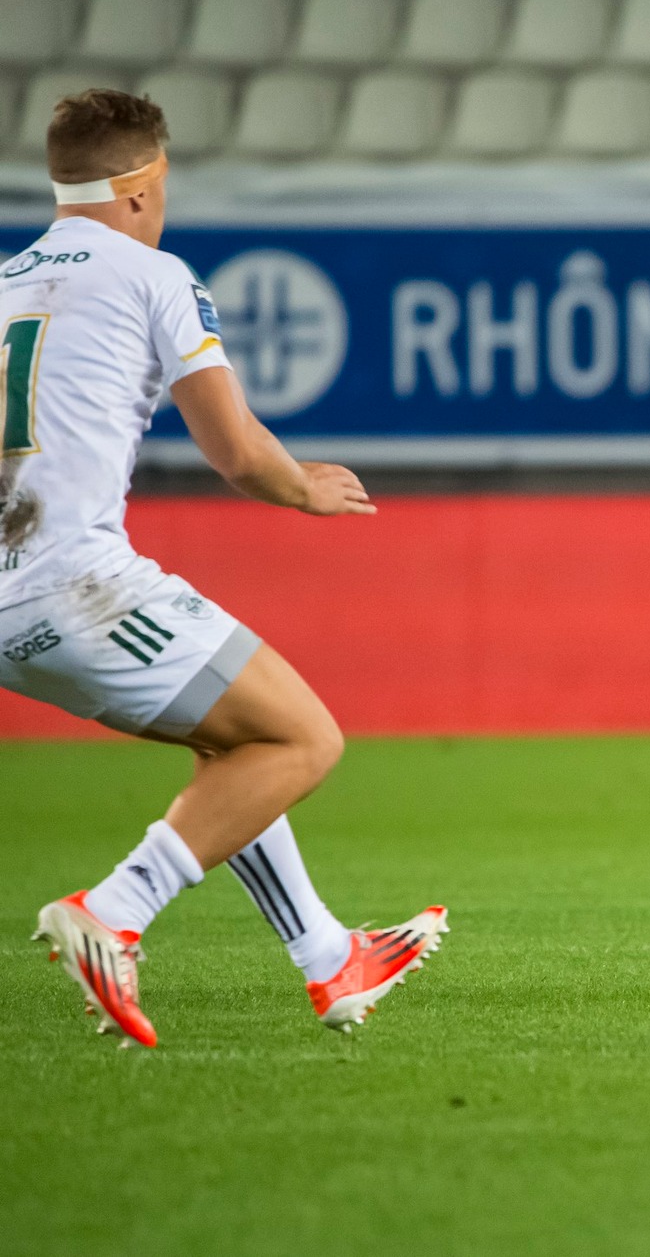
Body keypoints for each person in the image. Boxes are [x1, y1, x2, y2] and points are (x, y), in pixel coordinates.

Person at [3, 90, 445, 1049]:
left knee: (234, 743)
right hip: (79, 582)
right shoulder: (154, 273)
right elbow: (237, 449)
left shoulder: (6, 283)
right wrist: (303, 489)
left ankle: (330, 958)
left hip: (8, 601)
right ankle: (113, 911)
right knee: (303, 741)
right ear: (141, 186)